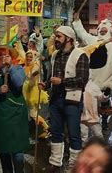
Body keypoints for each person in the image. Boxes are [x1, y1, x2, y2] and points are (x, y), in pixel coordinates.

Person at [41, 26, 90, 172]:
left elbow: (82, 80)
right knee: (56, 131)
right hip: (56, 99)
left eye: (59, 36)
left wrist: (62, 81)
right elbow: (52, 76)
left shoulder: (80, 55)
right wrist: (46, 83)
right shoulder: (55, 55)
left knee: (74, 134)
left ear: (69, 39)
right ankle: (55, 162)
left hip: (72, 101)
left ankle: (74, 166)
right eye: (56, 36)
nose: (56, 39)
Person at [72, 13, 112, 130]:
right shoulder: (93, 40)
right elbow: (82, 33)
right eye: (100, 28)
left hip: (107, 79)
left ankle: (104, 121)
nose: (101, 30)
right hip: (92, 78)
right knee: (91, 101)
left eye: (105, 29)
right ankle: (90, 121)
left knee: (105, 101)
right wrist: (77, 21)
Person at [0, 45, 28, 173]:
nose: (3, 58)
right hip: (0, 116)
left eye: (6, 55)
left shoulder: (18, 68)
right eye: (0, 55)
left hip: (16, 113)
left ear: (12, 57)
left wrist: (10, 68)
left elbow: (19, 82)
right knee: (3, 149)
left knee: (17, 150)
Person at [22, 50, 49, 139]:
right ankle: (37, 130)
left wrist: (32, 76)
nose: (29, 58)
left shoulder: (35, 66)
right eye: (27, 56)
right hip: (26, 91)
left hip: (32, 93)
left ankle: (47, 129)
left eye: (31, 57)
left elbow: (32, 79)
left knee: (33, 114)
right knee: (32, 113)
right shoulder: (26, 65)